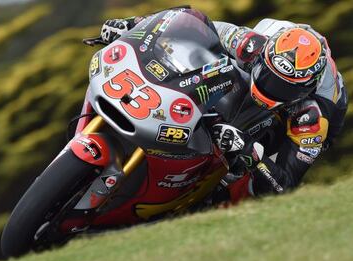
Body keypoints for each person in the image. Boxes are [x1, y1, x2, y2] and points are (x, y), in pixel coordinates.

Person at [98, 8, 348, 201]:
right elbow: (188, 24)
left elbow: (284, 185)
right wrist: (134, 25)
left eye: (283, 87)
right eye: (267, 75)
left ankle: (213, 195)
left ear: (301, 91)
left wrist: (248, 152)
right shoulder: (252, 44)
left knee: (250, 184)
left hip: (318, 110)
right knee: (221, 68)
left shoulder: (312, 114)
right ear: (261, 57)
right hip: (281, 43)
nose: (270, 87)